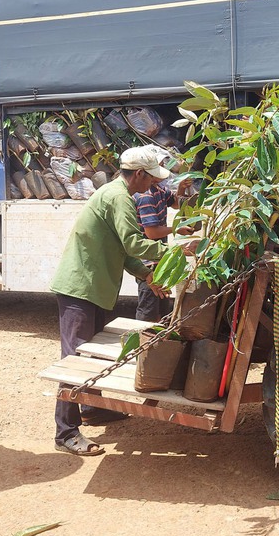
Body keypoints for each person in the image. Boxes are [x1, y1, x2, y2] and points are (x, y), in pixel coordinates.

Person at [50, 145, 191, 456]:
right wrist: (179, 250)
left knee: (91, 353)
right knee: (74, 359)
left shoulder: (118, 194)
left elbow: (122, 249)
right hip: (80, 287)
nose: (154, 184)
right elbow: (133, 242)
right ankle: (66, 432)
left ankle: (89, 408)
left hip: (94, 286)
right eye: (152, 179)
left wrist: (145, 275)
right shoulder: (119, 197)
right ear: (138, 174)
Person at [134, 146, 195, 322]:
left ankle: (155, 344)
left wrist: (182, 188)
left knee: (160, 307)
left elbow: (175, 203)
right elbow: (151, 232)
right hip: (148, 262)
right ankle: (142, 343)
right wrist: (177, 229)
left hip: (159, 258)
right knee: (148, 310)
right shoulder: (145, 195)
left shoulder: (158, 190)